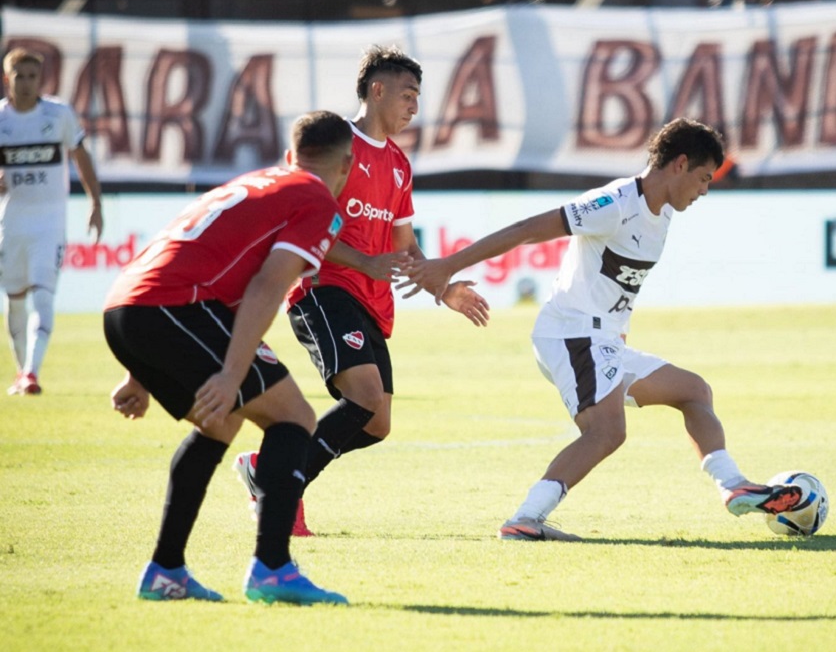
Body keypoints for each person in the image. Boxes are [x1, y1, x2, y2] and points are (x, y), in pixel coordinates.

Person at [399, 118, 804, 541]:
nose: (704, 190)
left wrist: (619, 338)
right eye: (704, 178)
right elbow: (524, 231)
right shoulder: (614, 203)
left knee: (693, 390)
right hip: (571, 332)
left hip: (602, 340)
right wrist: (447, 266)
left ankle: (732, 485)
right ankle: (525, 519)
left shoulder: (662, 214)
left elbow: (621, 285)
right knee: (607, 432)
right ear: (680, 164)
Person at [231, 44, 489, 536]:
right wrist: (365, 260)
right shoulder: (332, 144)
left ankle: (265, 470)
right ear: (377, 90)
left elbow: (403, 245)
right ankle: (278, 496)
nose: (415, 105)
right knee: (365, 396)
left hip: (371, 301)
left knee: (376, 423)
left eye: (418, 96)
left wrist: (444, 288)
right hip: (323, 289)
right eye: (408, 94)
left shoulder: (398, 165)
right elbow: (302, 225)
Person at [103, 110, 355, 604]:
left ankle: (166, 570)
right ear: (346, 163)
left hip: (126, 306)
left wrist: (140, 369)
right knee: (294, 419)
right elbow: (267, 285)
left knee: (220, 424)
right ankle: (273, 568)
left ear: (291, 154)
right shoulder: (317, 200)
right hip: (174, 308)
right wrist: (231, 372)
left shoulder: (256, 182)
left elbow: (195, 260)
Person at [1, 47, 103, 396]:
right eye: (20, 77)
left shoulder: (58, 115)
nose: (26, 83)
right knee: (14, 300)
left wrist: (95, 202)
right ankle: (21, 371)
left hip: (49, 224)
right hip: (10, 224)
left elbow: (81, 155)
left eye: (32, 76)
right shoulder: (1, 120)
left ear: (40, 80)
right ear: (7, 79)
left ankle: (32, 372)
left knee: (43, 295)